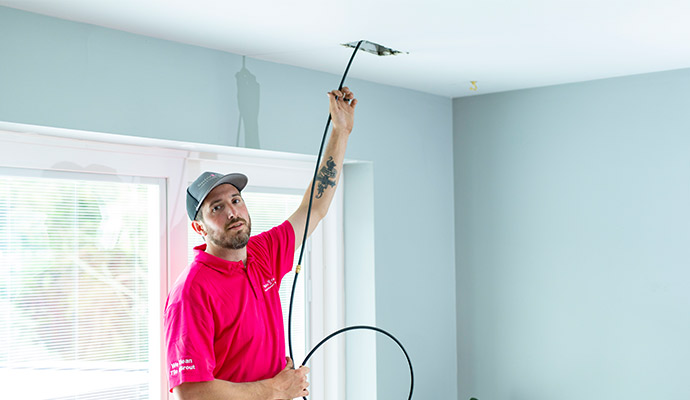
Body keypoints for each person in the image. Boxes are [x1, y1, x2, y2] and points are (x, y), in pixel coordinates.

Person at [164, 87, 358, 400]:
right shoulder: (191, 291)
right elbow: (190, 392)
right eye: (217, 207)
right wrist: (274, 390)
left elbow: (315, 208)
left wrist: (341, 131)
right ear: (199, 226)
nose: (232, 212)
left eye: (235, 200)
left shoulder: (262, 253)